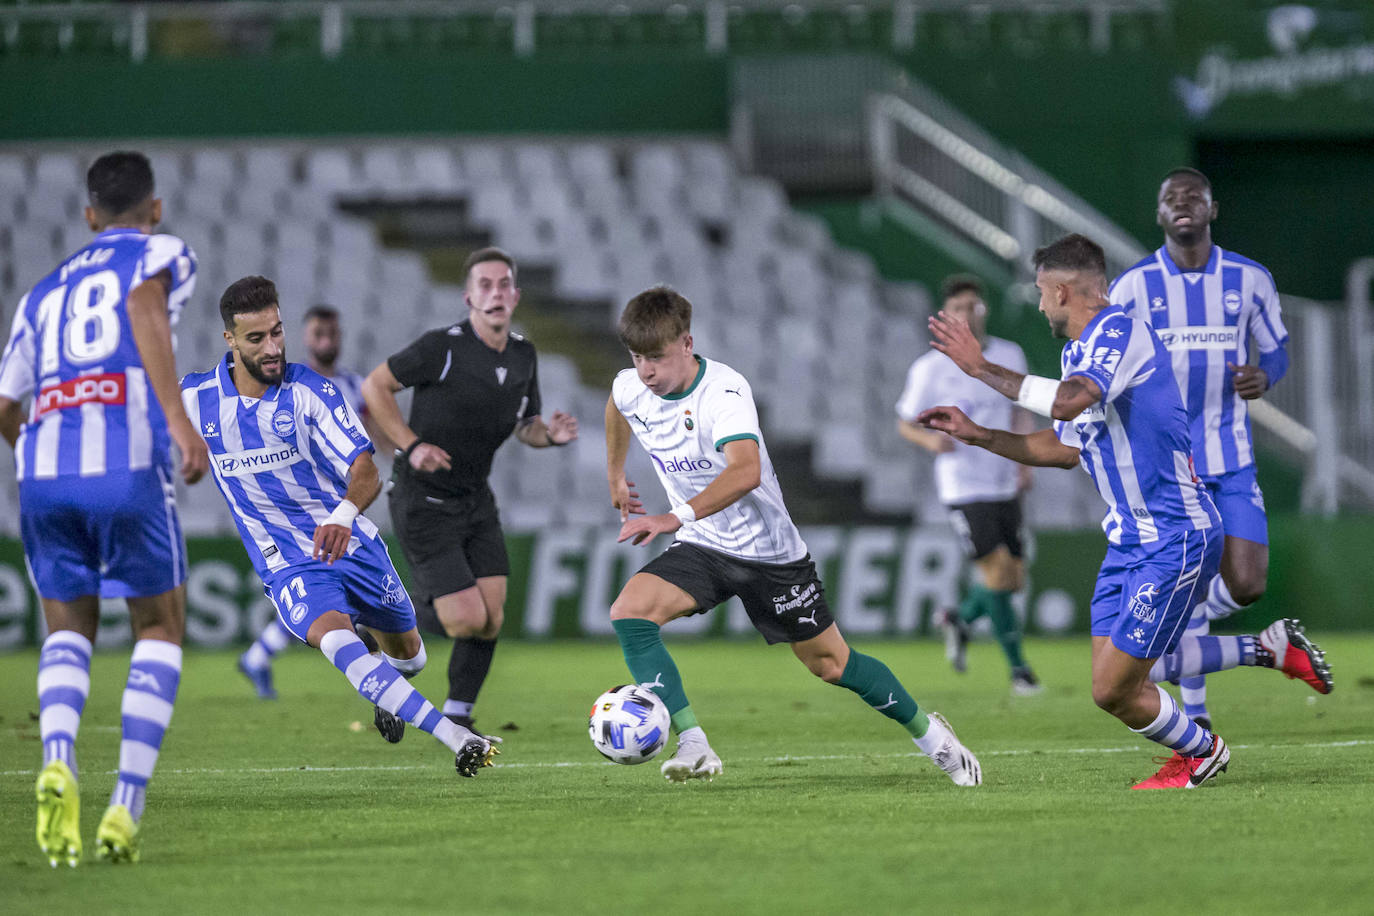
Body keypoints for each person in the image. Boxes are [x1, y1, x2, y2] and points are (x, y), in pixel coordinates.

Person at [919, 234, 1331, 789]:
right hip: (1129, 542)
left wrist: (980, 368)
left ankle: (1203, 751)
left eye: (1042, 293)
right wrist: (979, 434)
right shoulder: (1076, 355)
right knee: (1124, 677)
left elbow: (1069, 401)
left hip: (1175, 535)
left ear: (1063, 290)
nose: (1040, 305)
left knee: (1114, 687)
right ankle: (1264, 649)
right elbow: (1065, 448)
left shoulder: (1122, 330)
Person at [605, 286, 982, 786]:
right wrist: (615, 475)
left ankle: (933, 738)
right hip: (705, 543)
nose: (646, 371)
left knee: (831, 665)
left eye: (655, 357)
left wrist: (674, 517)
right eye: (637, 358)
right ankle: (693, 741)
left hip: (770, 555)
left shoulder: (724, 392)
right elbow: (617, 405)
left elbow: (744, 471)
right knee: (630, 612)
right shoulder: (633, 386)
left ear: (687, 342)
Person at [180, 276, 496, 780]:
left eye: (277, 332)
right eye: (257, 338)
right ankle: (454, 736)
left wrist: (343, 516)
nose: (272, 347)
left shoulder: (311, 391)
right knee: (335, 642)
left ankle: (387, 685)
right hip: (287, 560)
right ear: (230, 341)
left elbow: (365, 469)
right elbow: (143, 423)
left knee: (411, 661)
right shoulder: (196, 400)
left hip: (350, 543)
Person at [0, 151, 209, 865]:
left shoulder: (39, 294)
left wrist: (33, 451)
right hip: (125, 463)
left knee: (69, 630)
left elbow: (4, 403)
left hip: (44, 471)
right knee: (159, 624)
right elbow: (143, 305)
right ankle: (126, 803)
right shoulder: (160, 250)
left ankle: (58, 756)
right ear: (152, 208)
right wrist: (180, 424)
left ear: (89, 216)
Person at [362, 247, 578, 736]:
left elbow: (526, 425)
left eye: (504, 284)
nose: (496, 293)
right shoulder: (442, 348)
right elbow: (376, 387)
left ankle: (458, 715)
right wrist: (411, 444)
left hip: (476, 499)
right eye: (485, 285)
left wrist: (549, 436)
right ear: (468, 297)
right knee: (465, 620)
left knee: (491, 616)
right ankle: (376, 623)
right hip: (423, 499)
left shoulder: (524, 354)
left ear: (516, 295)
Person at [1108, 168, 1290, 729]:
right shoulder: (1133, 287)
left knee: (1248, 583)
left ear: (1213, 209)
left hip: (1230, 455)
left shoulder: (1249, 278)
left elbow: (1277, 348)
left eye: (1193, 197)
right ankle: (1198, 713)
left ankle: (1193, 633)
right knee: (1184, 591)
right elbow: (1110, 361)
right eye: (1170, 198)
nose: (1181, 204)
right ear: (1159, 214)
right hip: (1168, 470)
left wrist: (1265, 376)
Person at [895, 275, 1040, 694]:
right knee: (996, 573)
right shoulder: (929, 368)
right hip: (962, 485)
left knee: (1013, 577)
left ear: (984, 310)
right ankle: (1020, 671)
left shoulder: (1009, 354)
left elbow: (1021, 409)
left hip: (1004, 477)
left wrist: (1027, 458)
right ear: (946, 316)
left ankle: (959, 618)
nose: (967, 313)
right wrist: (929, 440)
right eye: (958, 308)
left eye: (973, 306)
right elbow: (905, 421)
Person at [236, 303, 388, 700]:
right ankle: (265, 655)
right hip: (302, 508)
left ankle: (259, 655)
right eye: (319, 334)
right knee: (324, 591)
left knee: (324, 592)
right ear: (304, 337)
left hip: (345, 504)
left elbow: (376, 438)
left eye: (332, 334)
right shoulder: (281, 388)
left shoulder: (354, 386)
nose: (326, 341)